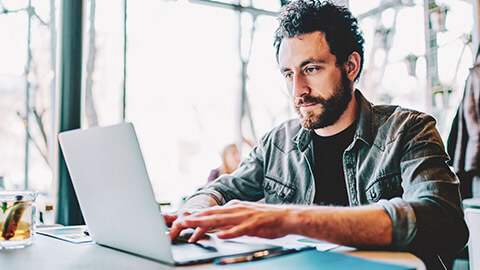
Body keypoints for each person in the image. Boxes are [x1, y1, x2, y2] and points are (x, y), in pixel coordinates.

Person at [166, 1, 469, 267]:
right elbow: (221, 190)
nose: (298, 90)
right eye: (288, 74)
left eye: (311, 69)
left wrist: (290, 219)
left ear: (350, 65)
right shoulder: (276, 143)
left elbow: (443, 221)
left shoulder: (408, 130)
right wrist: (193, 213)